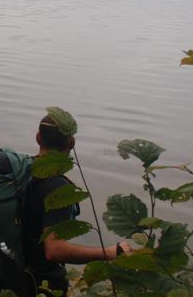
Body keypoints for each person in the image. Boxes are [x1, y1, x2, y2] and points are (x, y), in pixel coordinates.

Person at [22, 107, 132, 296]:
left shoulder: (23, 170)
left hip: (15, 269)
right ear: (72, 143)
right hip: (42, 283)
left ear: (38, 137)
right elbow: (54, 250)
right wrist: (110, 253)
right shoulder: (58, 188)